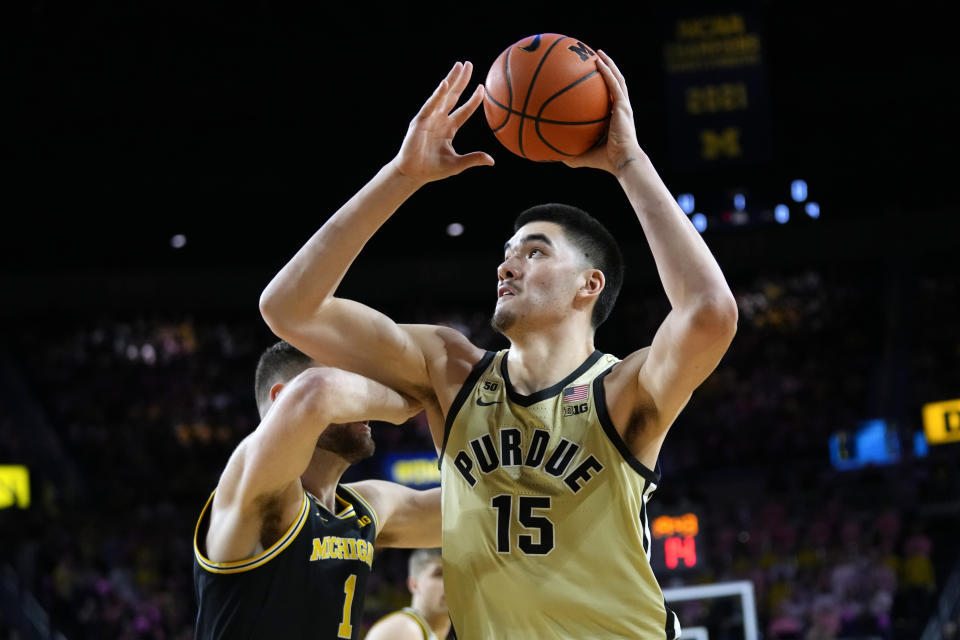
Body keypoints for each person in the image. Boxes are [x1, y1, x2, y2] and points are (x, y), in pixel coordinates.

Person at [260, 48, 737, 639]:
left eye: (535, 251)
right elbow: (288, 308)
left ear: (589, 285)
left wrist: (629, 163)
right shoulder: (451, 370)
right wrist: (401, 176)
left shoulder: (621, 391)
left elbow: (711, 313)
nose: (508, 265)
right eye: (507, 252)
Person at [192, 340, 440, 639]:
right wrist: (412, 400)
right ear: (282, 398)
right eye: (347, 382)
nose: (362, 399)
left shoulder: (365, 507)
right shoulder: (254, 487)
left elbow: (474, 510)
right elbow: (317, 390)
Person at [365, 548, 450, 640]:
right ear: (414, 585)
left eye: (456, 576)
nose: (451, 582)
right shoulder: (404, 629)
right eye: (439, 574)